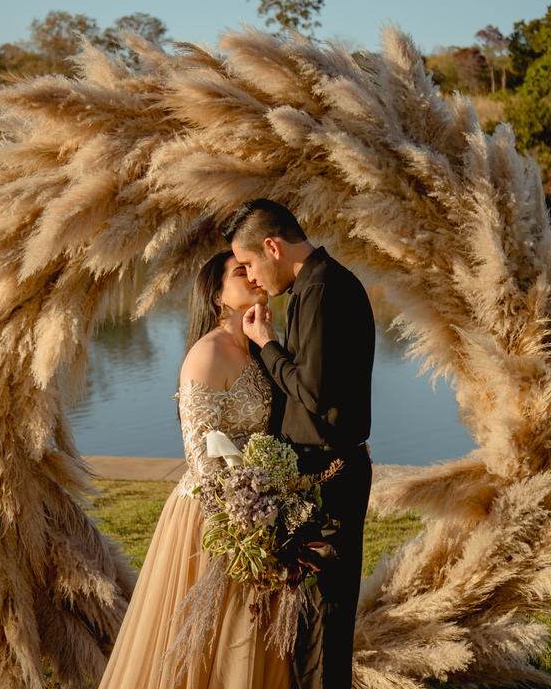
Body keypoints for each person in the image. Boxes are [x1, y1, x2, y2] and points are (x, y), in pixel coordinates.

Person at [98, 250, 291, 689]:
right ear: (216, 295)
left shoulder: (259, 347)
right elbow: (200, 457)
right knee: (208, 639)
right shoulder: (207, 354)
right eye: (241, 272)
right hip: (216, 514)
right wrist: (246, 516)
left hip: (258, 505)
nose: (254, 276)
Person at [225, 199, 375, 689]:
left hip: (331, 479)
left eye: (249, 264)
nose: (251, 277)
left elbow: (313, 391)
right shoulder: (317, 285)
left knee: (323, 622)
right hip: (320, 476)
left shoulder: (322, 289)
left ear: (273, 246)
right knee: (309, 619)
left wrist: (268, 344)